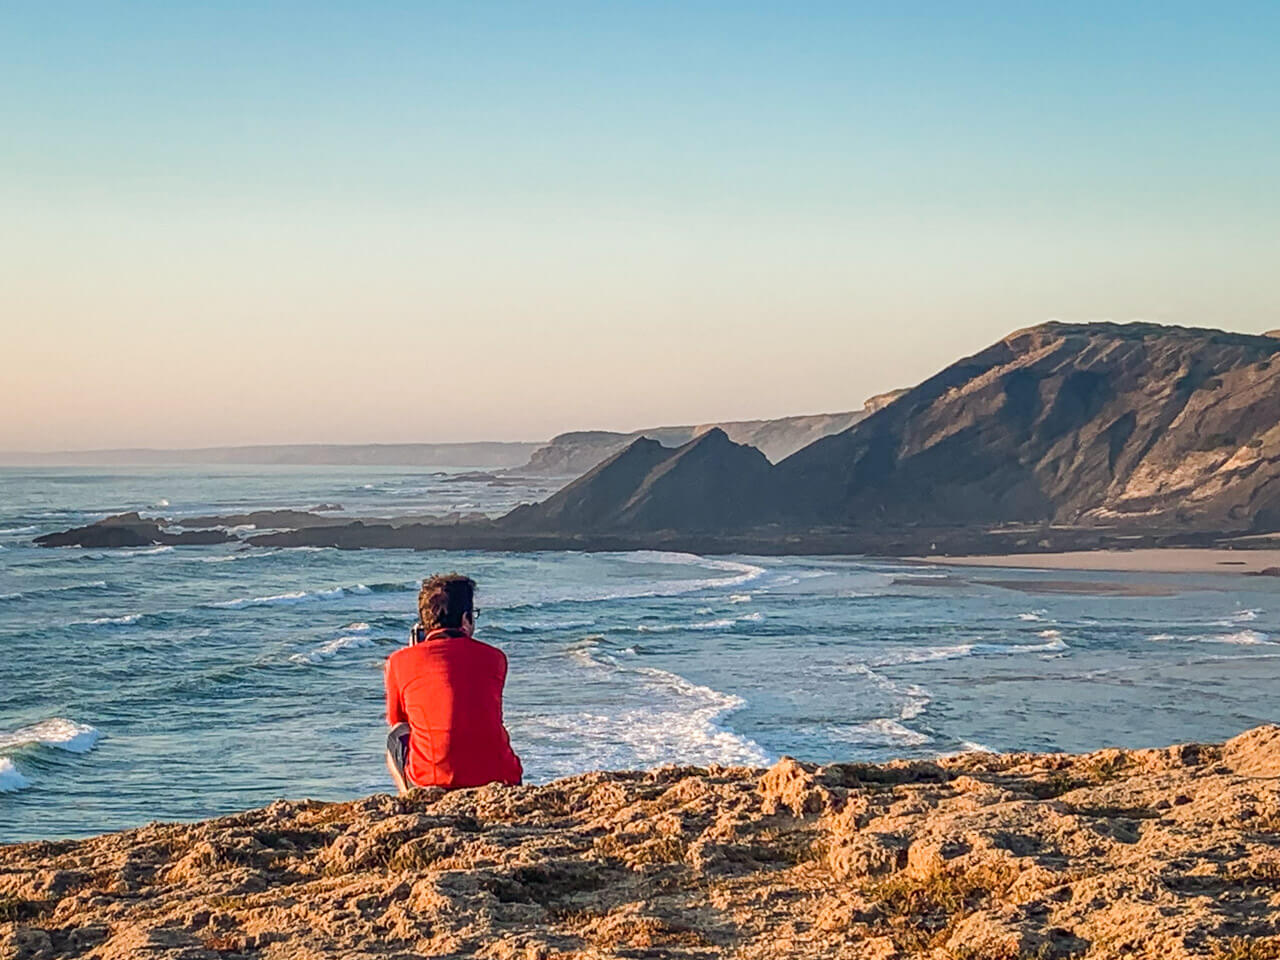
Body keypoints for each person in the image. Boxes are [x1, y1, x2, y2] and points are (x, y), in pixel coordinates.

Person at [384, 573, 523, 792]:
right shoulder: (495, 657)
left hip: (436, 780)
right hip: (502, 778)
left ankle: (411, 799)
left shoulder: (399, 661)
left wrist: (413, 655)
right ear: (465, 619)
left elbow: (398, 720)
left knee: (395, 736)